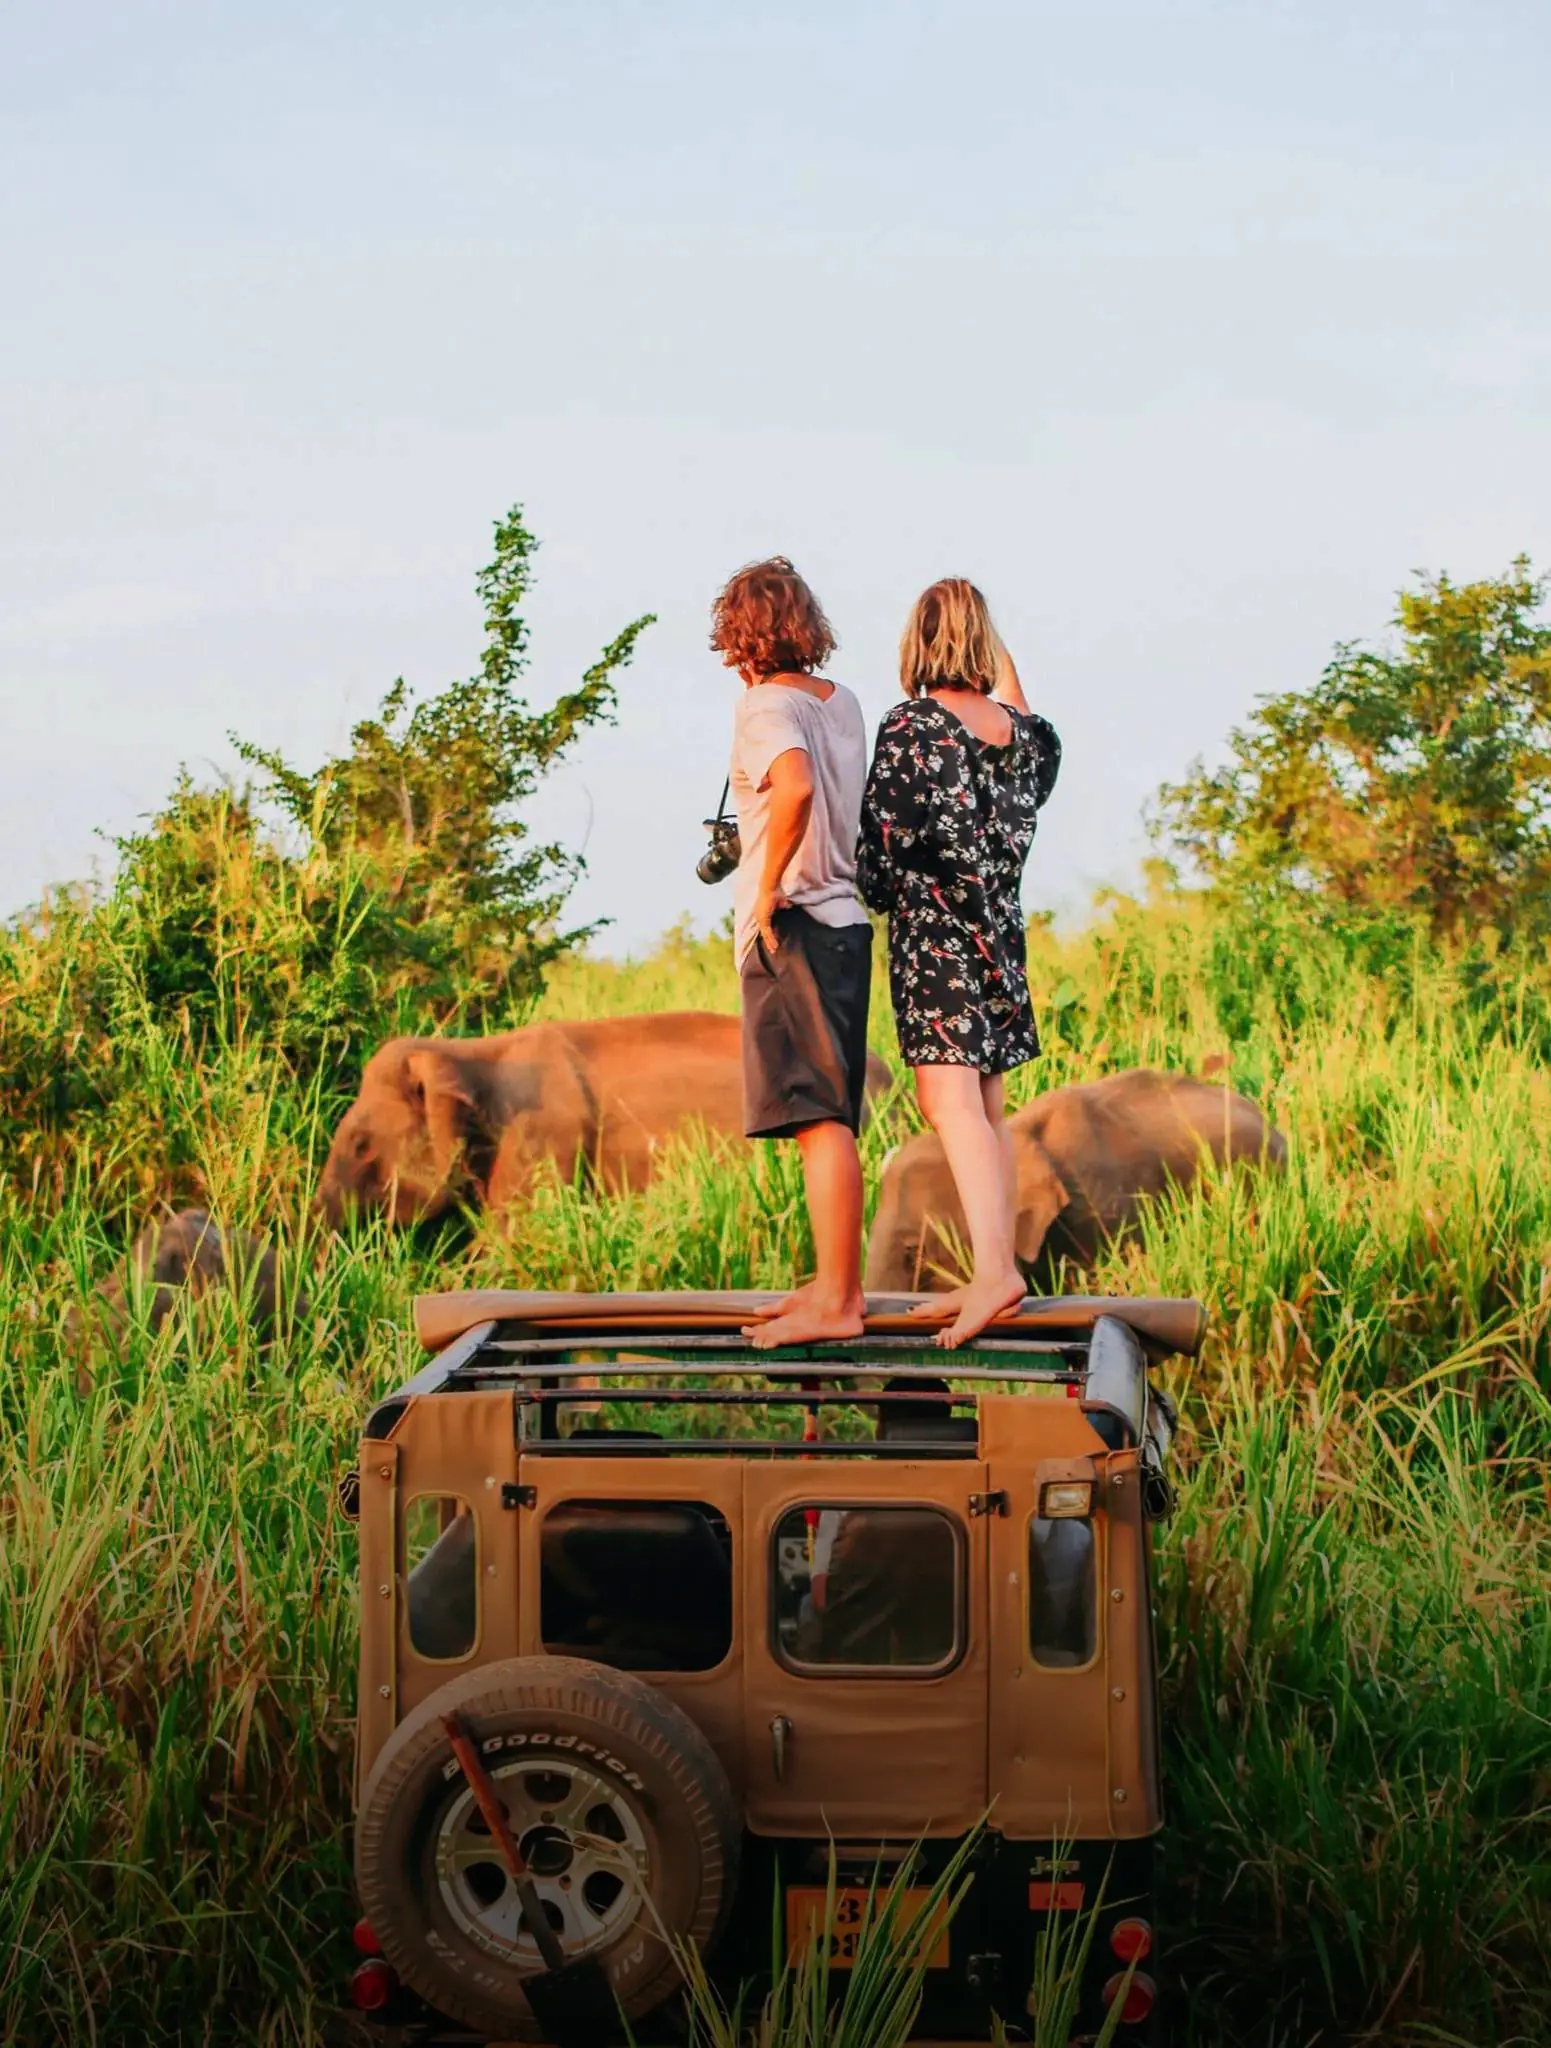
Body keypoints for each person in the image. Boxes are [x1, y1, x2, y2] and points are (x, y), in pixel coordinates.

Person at [856, 578, 1061, 1349]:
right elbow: (1020, 702)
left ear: (917, 641)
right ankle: (993, 1267)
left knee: (948, 1108)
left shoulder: (912, 727)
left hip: (936, 936)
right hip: (1000, 935)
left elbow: (878, 855)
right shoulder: (1023, 739)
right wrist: (985, 639)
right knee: (987, 1111)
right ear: (984, 642)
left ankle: (993, 1275)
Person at [711, 557, 873, 1349]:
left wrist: (768, 884)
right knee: (830, 1114)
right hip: (845, 919)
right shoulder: (840, 703)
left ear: (737, 634)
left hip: (795, 925)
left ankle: (839, 1300)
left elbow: (795, 784)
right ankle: (830, 1279)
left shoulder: (763, 704)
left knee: (816, 1121)